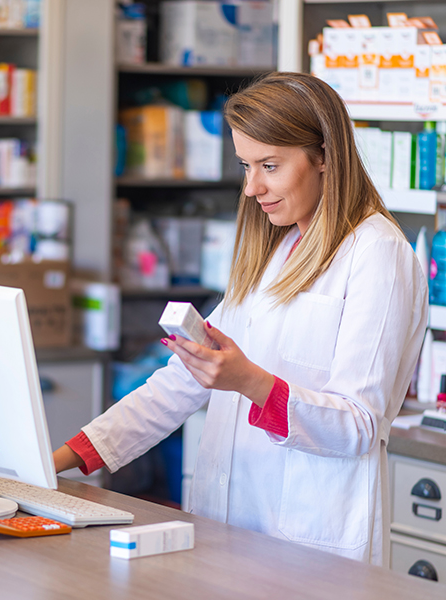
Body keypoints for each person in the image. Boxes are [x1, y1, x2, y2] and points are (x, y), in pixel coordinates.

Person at [53, 72, 428, 567]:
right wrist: (57, 462)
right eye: (246, 166)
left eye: (270, 166)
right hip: (230, 530)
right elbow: (180, 384)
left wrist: (249, 382)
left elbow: (357, 424)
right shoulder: (280, 247)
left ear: (325, 158)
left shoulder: (378, 254)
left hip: (310, 548)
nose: (252, 187)